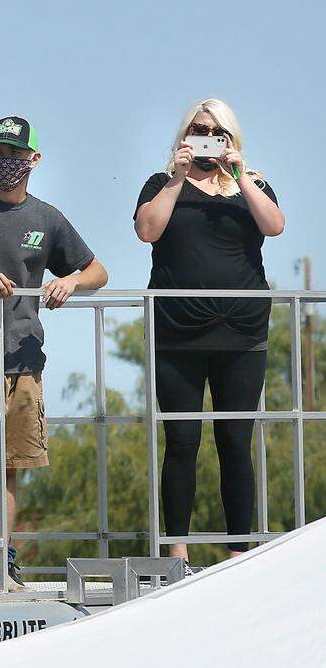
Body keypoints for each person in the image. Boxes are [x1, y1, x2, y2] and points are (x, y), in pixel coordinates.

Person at [0, 116, 108, 594]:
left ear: (34, 159)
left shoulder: (46, 217)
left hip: (24, 356)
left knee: (11, 465)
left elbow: (98, 270)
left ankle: (2, 565)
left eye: (14, 154)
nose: (4, 162)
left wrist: (69, 281)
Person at [133, 98, 285, 572]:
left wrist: (239, 176)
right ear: (184, 133)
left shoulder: (252, 182)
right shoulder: (162, 183)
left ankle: (240, 549)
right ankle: (177, 550)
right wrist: (179, 178)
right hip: (177, 332)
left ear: (231, 136)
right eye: (198, 128)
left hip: (242, 332)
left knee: (236, 440)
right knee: (182, 441)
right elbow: (146, 231)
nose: (207, 136)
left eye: (216, 130)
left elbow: (275, 226)